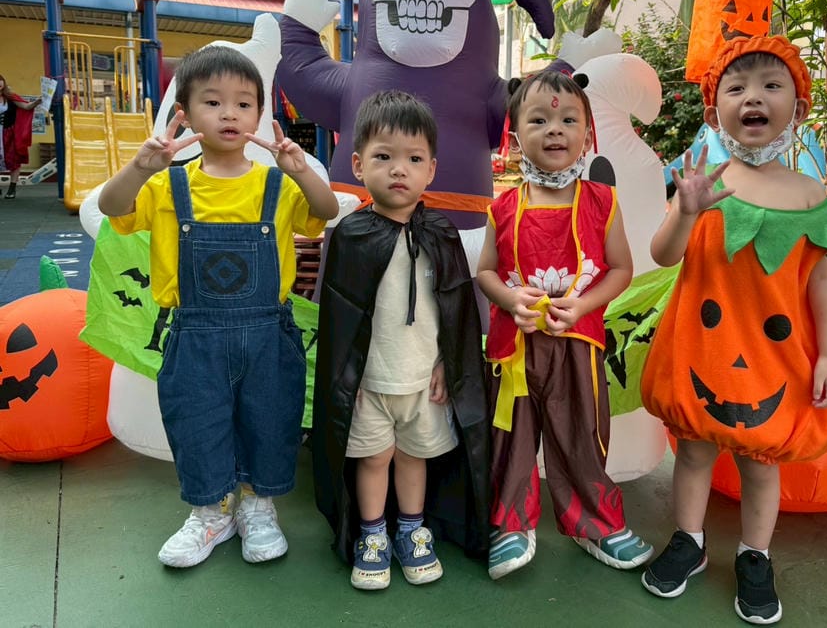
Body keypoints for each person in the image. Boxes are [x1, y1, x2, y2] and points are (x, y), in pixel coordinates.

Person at [98, 45, 340, 568]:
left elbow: (324, 211)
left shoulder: (277, 184)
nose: (229, 114)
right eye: (213, 102)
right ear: (184, 114)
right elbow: (111, 206)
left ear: (260, 115)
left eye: (244, 103)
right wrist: (139, 167)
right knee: (197, 422)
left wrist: (300, 170)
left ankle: (258, 506)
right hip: (193, 335)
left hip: (268, 334)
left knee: (269, 421)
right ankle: (211, 512)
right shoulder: (166, 185)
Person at [639, 35, 827, 625]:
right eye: (737, 87)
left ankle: (756, 554)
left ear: (797, 109)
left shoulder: (809, 194)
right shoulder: (704, 182)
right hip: (705, 349)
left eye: (771, 85)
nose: (753, 97)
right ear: (714, 112)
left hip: (773, 360)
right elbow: (663, 256)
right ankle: (689, 539)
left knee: (761, 463)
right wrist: (686, 211)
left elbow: (824, 280)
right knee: (693, 452)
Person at [477, 69, 654, 580]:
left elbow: (621, 269)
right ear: (515, 135)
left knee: (582, 435)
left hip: (578, 344)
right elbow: (486, 272)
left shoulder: (603, 202)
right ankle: (510, 521)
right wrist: (510, 298)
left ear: (587, 133)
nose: (554, 129)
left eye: (568, 120)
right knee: (511, 440)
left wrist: (582, 306)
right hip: (514, 350)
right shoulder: (502, 207)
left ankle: (595, 523)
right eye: (538, 120)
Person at [311, 90, 489, 591]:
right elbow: (340, 320)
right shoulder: (350, 235)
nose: (398, 170)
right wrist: (346, 379)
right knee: (373, 458)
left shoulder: (441, 234)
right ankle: (372, 535)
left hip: (425, 381)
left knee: (415, 456)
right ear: (358, 164)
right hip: (368, 382)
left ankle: (411, 530)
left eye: (413, 159)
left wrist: (448, 365)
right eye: (383, 157)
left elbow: (456, 311)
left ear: (431, 169)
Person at [0, 74, 41, 198]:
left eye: (0, 80)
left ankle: (12, 189)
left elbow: (26, 106)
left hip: (8, 134)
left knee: (14, 160)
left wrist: (37, 102)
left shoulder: (11, 97)